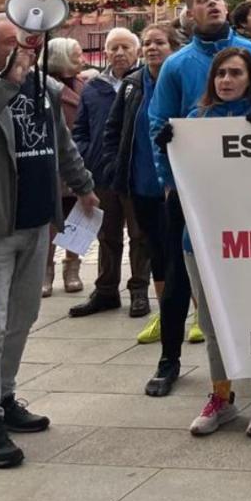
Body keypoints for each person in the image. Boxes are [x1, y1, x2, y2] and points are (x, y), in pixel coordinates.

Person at [0, 14, 98, 468]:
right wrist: (5, 86)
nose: (21, 53)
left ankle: (4, 395)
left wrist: (83, 183)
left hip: (35, 222)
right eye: (11, 45)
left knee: (22, 317)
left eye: (24, 46)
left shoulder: (40, 85)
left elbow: (61, 140)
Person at [158, 48, 251, 439]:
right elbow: (181, 180)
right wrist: (168, 147)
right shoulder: (196, 120)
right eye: (220, 74)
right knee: (211, 321)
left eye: (235, 73)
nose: (226, 81)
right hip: (202, 238)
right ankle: (221, 395)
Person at [146, 0, 251, 368]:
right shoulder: (176, 65)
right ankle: (170, 359)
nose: (212, 3)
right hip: (192, 192)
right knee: (179, 276)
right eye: (203, 0)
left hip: (245, 192)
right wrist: (171, 183)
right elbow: (159, 124)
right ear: (190, 14)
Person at [98, 22, 185, 393]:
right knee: (157, 255)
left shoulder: (180, 78)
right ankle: (169, 343)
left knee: (183, 262)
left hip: (178, 189)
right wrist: (115, 167)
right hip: (141, 186)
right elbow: (113, 128)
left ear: (174, 47)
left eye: (159, 42)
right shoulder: (133, 84)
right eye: (147, 43)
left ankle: (191, 320)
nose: (152, 48)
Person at [70, 28, 151, 318]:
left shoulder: (145, 82)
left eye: (125, 47)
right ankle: (106, 290)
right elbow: (80, 128)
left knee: (140, 235)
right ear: (105, 53)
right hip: (102, 172)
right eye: (113, 48)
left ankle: (139, 290)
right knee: (107, 233)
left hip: (134, 171)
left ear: (137, 52)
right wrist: (85, 152)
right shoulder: (94, 87)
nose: (119, 53)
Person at [41, 38, 93, 298]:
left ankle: (72, 266)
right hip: (53, 160)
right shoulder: (44, 87)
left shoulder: (86, 85)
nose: (82, 58)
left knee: (80, 214)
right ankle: (45, 269)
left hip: (81, 159)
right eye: (76, 54)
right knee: (51, 216)